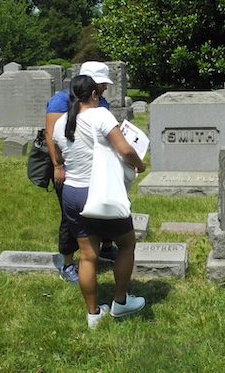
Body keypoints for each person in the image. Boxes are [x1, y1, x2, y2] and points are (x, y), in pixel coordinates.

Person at [52, 74, 147, 328]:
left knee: (87, 255)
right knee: (127, 244)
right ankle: (121, 301)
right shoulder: (101, 115)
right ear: (93, 95)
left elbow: (60, 155)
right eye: (99, 94)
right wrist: (140, 164)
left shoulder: (61, 122)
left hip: (72, 193)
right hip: (101, 191)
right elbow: (125, 150)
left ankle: (93, 314)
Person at [45, 62, 118, 284]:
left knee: (106, 206)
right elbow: (52, 136)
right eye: (103, 83)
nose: (105, 88)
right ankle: (67, 263)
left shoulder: (100, 100)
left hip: (98, 167)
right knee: (71, 217)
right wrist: (58, 166)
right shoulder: (60, 100)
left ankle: (105, 247)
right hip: (69, 168)